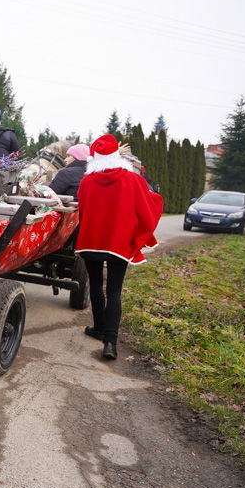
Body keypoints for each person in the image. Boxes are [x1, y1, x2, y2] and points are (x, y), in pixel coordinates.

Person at [75, 134, 164, 360]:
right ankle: (110, 343)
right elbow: (147, 205)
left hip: (90, 241)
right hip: (118, 244)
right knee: (114, 290)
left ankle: (98, 327)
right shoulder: (133, 180)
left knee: (95, 285)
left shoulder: (86, 181)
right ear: (117, 155)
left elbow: (83, 210)